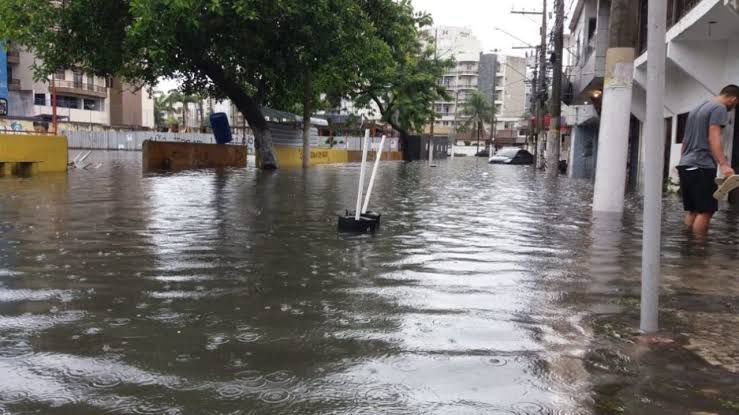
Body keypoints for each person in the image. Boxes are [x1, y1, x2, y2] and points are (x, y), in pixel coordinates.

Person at [677, 84, 739, 234]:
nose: (734, 107)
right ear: (734, 99)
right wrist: (723, 164)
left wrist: (683, 161)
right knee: (706, 211)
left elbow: (685, 140)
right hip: (701, 165)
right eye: (736, 104)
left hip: (686, 164)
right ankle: (699, 251)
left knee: (693, 210)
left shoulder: (698, 107)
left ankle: (688, 247)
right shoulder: (719, 108)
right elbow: (714, 137)